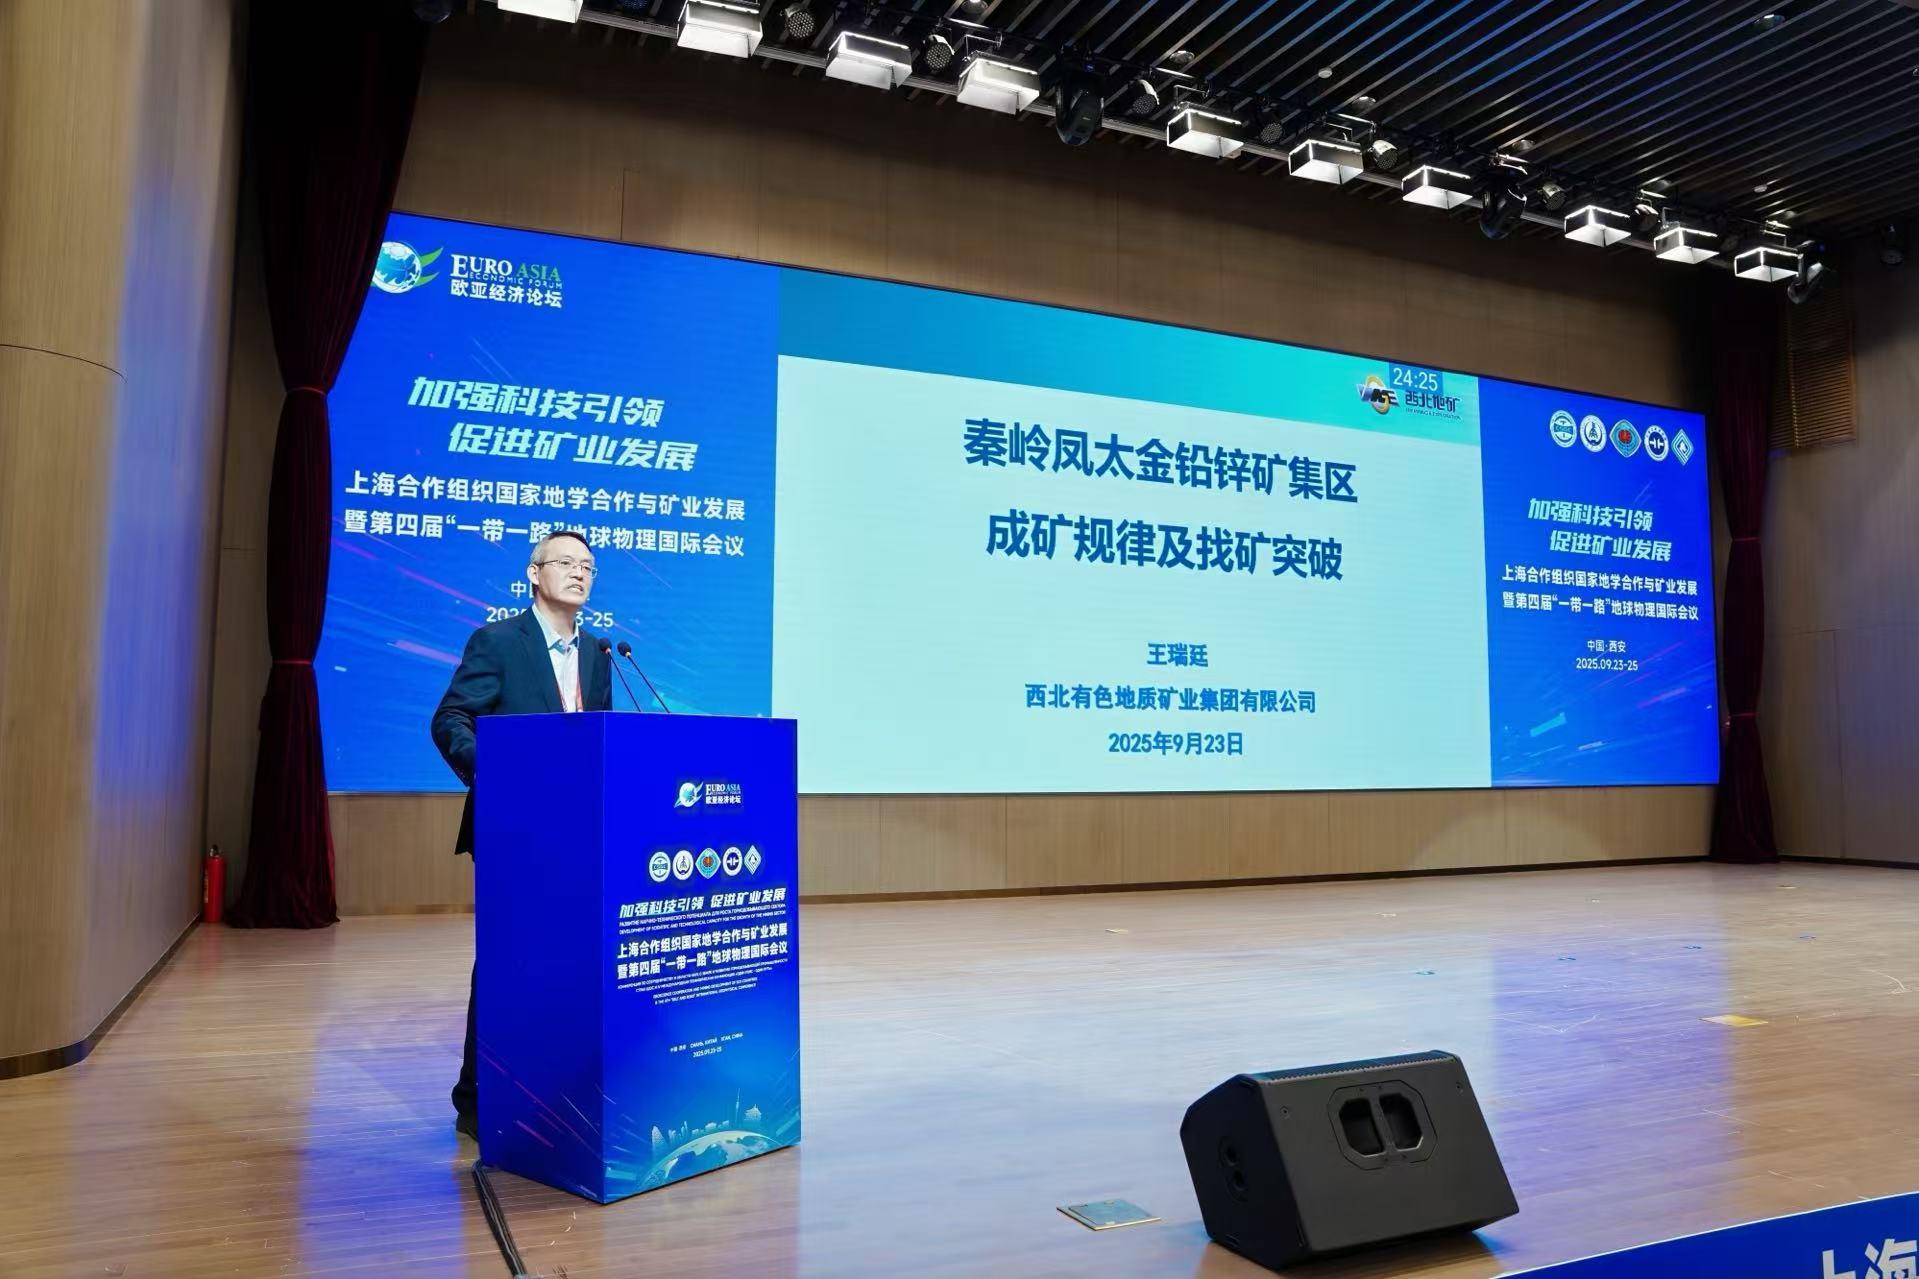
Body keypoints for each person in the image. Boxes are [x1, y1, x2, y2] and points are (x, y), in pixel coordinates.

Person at [431, 529, 614, 1138]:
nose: (579, 573)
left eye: (588, 566)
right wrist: (497, 773)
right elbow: (451, 718)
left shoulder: (599, 654)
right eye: (566, 562)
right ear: (534, 574)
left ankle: (551, 1087)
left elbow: (602, 740)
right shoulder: (499, 640)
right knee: (508, 960)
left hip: (579, 834)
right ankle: (477, 1099)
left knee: (568, 960)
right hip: (514, 828)